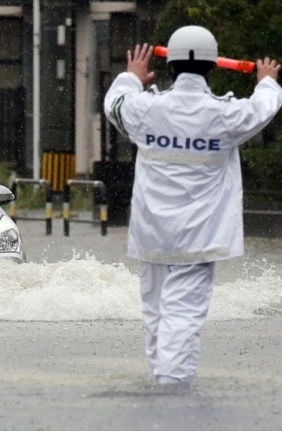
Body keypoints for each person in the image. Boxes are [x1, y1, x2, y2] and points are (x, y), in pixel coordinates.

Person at [104, 26, 282, 387]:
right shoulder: (225, 116)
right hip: (199, 236)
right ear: (213, 66)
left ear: (169, 65)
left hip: (152, 233)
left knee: (155, 314)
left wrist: (131, 76)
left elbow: (114, 104)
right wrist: (266, 80)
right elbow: (264, 108)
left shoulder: (145, 110)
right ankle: (172, 393)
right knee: (182, 316)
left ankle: (160, 381)